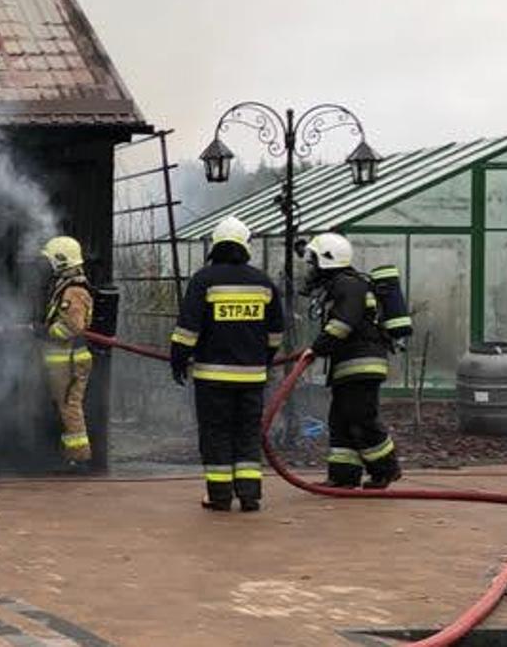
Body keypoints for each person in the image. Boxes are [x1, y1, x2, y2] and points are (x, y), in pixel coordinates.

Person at [169, 217, 284, 512]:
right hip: (252, 377)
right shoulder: (263, 283)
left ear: (215, 245)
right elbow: (276, 333)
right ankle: (249, 495)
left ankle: (220, 496)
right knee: (247, 433)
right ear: (246, 245)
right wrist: (263, 360)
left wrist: (178, 359)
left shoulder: (204, 280)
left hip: (213, 377)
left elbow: (188, 329)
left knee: (216, 433)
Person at [303, 233, 402, 489]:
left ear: (327, 260)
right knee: (341, 420)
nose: (312, 267)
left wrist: (316, 348)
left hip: (361, 364)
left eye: (314, 260)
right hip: (349, 365)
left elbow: (342, 323)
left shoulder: (348, 285)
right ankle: (343, 476)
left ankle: (386, 468)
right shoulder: (343, 285)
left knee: (361, 418)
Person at [38, 235, 95, 469]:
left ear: (61, 261)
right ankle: (69, 455)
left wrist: (47, 332)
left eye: (51, 260)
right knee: (63, 406)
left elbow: (74, 326)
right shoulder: (66, 287)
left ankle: (79, 458)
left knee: (70, 407)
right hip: (63, 360)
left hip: (71, 360)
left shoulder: (74, 291)